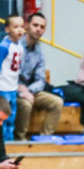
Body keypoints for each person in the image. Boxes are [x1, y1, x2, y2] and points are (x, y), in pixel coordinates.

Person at [14, 12, 63, 140]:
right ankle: (20, 139)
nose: (38, 29)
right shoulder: (14, 45)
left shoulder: (39, 52)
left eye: (42, 27)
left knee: (57, 102)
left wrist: (29, 90)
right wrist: (22, 90)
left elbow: (41, 80)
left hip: (30, 90)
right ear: (26, 26)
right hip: (11, 89)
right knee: (25, 104)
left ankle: (44, 140)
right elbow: (7, 75)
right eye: (35, 25)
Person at [0, 15, 25, 141]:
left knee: (11, 115)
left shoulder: (20, 46)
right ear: (7, 29)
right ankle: (1, 140)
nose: (20, 30)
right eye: (16, 27)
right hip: (2, 86)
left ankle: (10, 139)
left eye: (22, 26)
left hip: (12, 86)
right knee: (1, 115)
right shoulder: (4, 46)